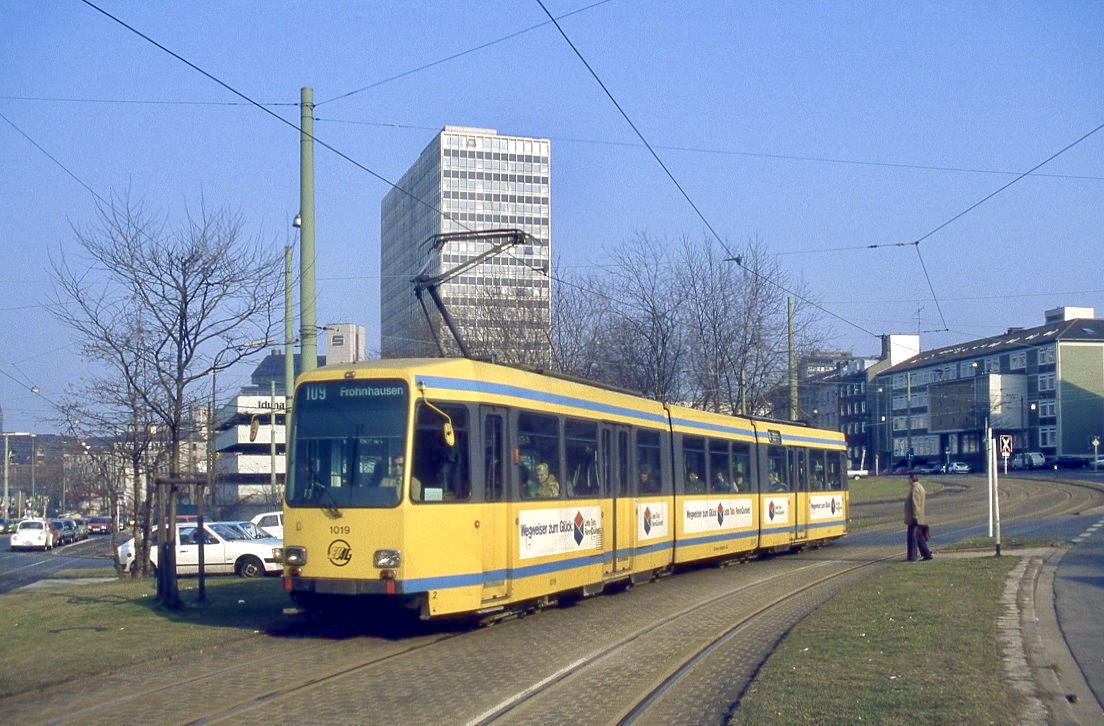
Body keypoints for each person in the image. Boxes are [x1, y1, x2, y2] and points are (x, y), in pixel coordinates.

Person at [904, 473, 933, 561]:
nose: (907, 481)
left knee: (912, 538)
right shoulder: (920, 486)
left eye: (908, 479)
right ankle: (927, 554)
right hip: (918, 517)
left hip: (915, 518)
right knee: (919, 537)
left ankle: (912, 557)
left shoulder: (915, 488)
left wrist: (915, 516)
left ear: (911, 479)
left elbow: (915, 503)